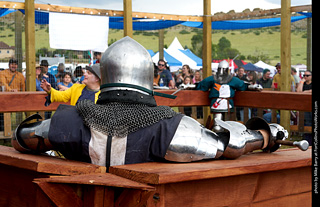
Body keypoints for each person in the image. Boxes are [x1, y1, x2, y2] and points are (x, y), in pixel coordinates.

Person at [13, 37, 308, 169]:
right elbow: (228, 144)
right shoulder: (170, 128)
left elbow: (22, 138)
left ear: (107, 77)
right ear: (146, 79)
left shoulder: (69, 122)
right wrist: (265, 134)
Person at [196, 60, 262, 131]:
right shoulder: (213, 79)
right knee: (217, 127)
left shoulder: (232, 80)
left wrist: (254, 87)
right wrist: (188, 86)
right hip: (217, 104)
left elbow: (243, 85)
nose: (222, 71)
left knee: (227, 126)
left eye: (223, 69)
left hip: (228, 104)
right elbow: (201, 85)